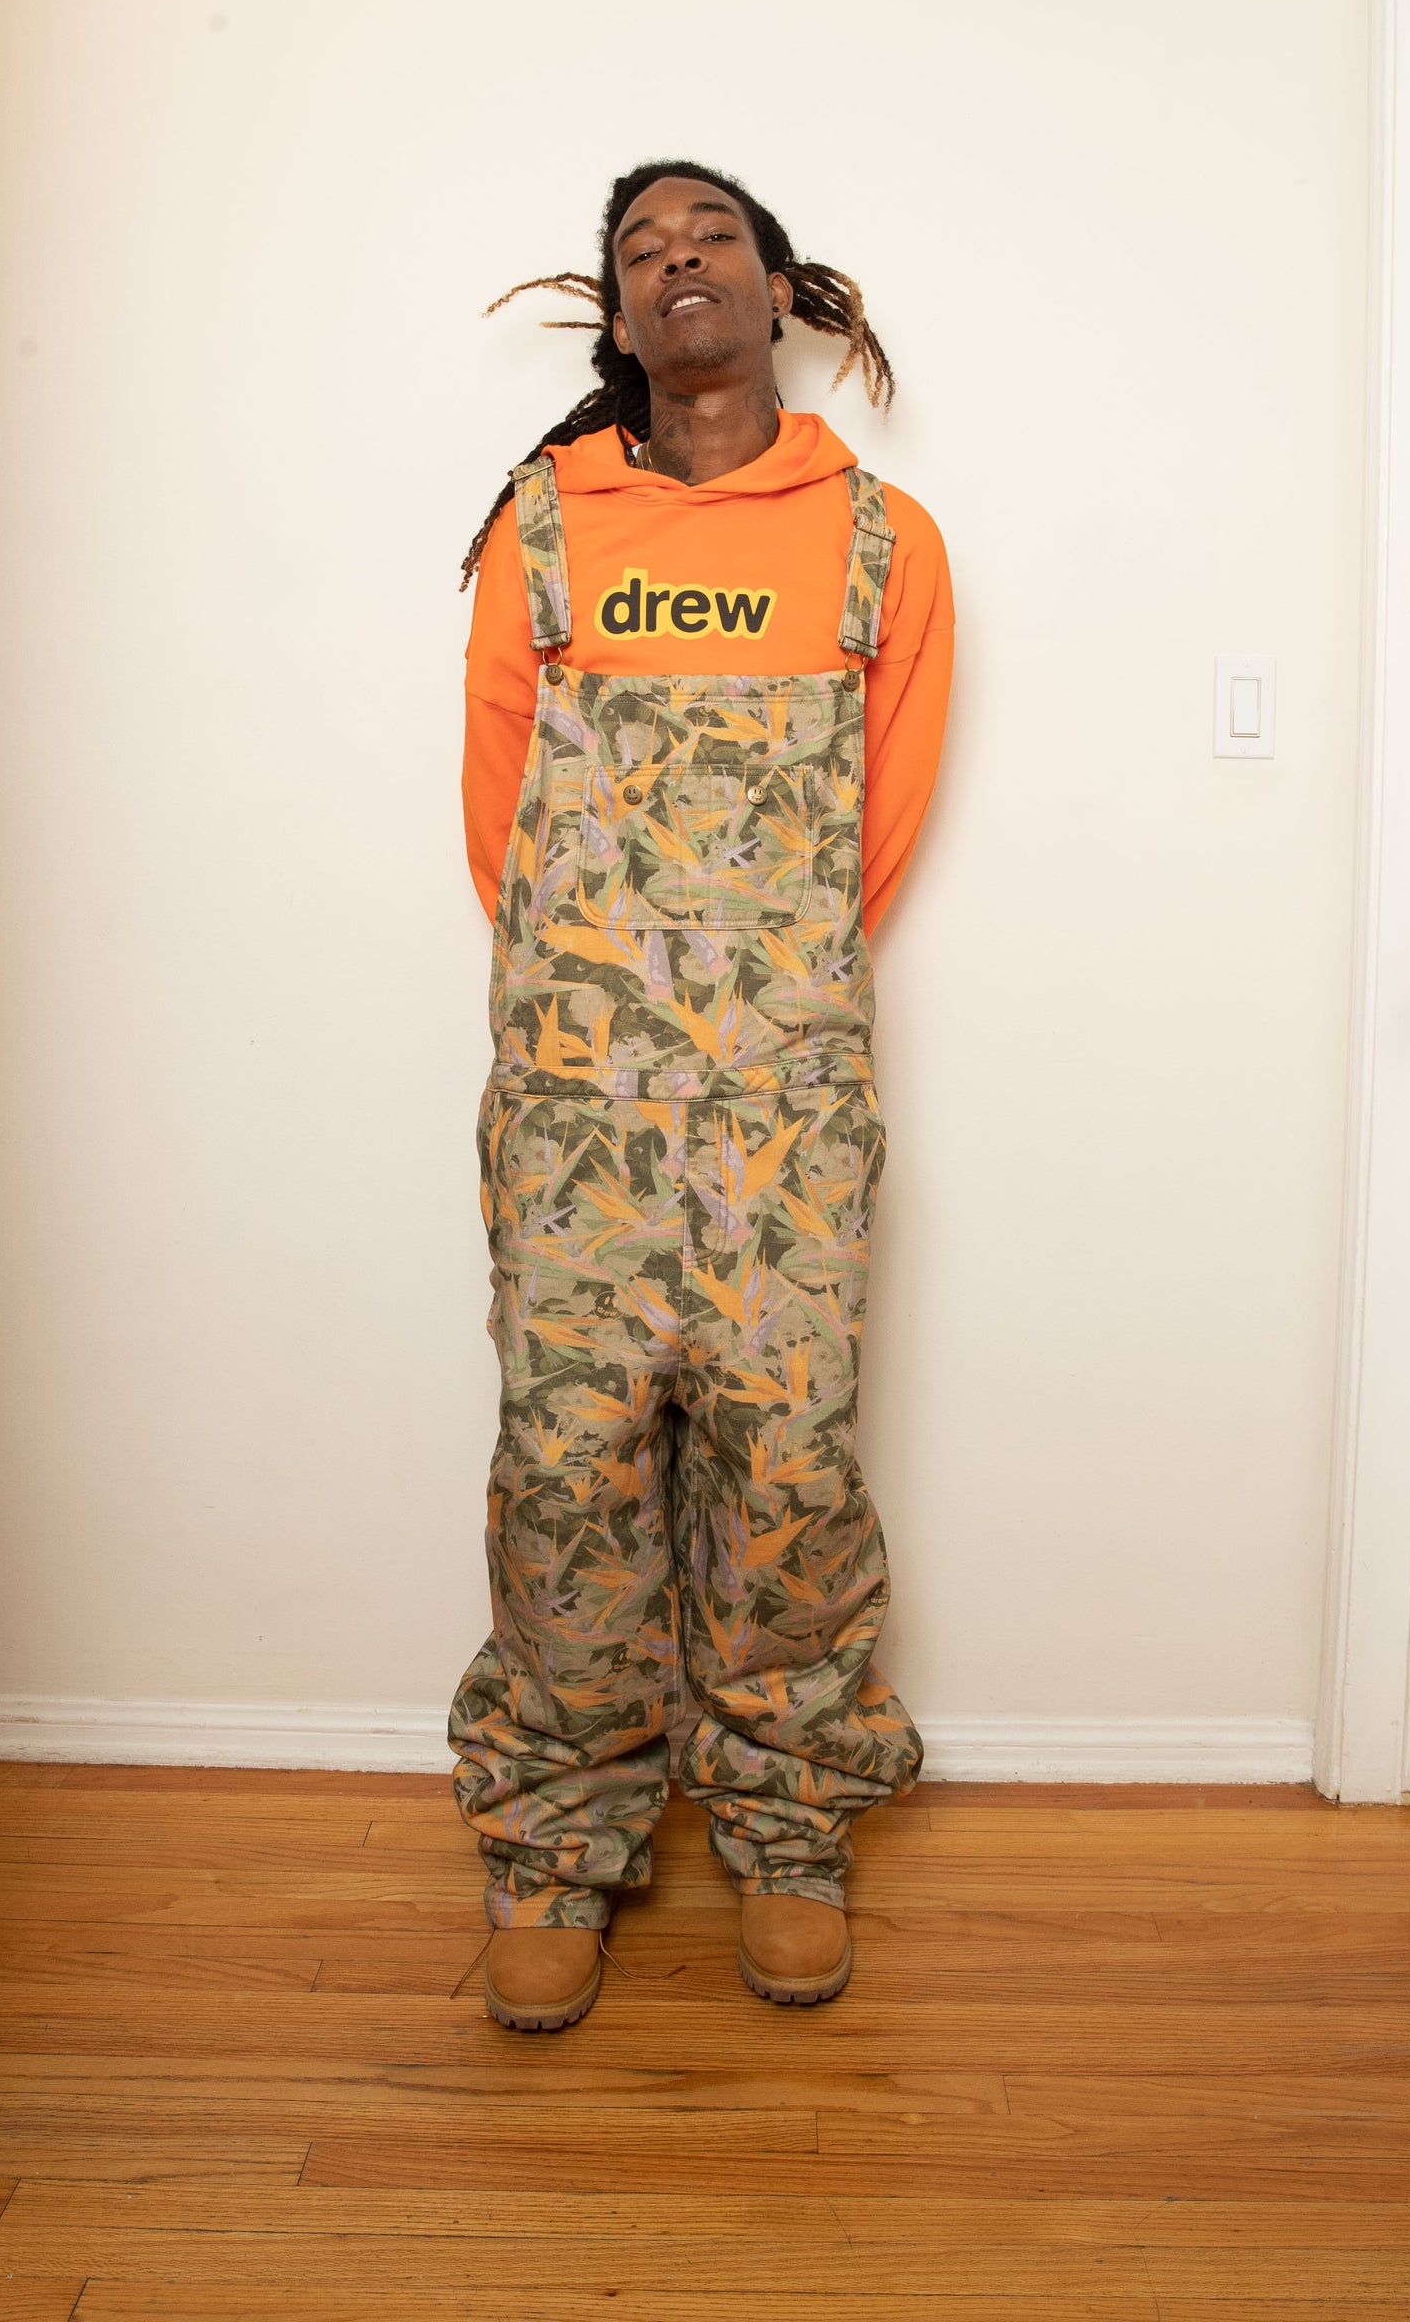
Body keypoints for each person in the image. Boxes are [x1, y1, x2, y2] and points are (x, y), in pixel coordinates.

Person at [450, 162, 953, 2032]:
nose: (679, 263)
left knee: (789, 1460)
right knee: (567, 1466)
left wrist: (751, 1005)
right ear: (617, 314)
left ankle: (790, 1822)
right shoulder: (540, 526)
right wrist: (611, 1010)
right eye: (642, 251)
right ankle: (556, 1837)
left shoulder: (884, 540)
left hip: (786, 1106)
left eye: (710, 238)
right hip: (575, 1094)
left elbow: (874, 832)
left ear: (778, 286)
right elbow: (500, 808)